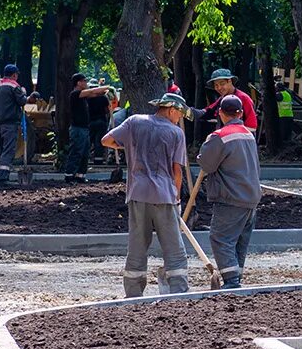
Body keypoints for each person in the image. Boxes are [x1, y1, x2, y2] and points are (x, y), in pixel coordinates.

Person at [102, 93, 191, 297]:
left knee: (137, 245)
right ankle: (178, 291)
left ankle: (133, 293)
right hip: (163, 196)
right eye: (179, 114)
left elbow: (106, 140)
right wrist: (177, 198)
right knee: (173, 247)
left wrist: (127, 147)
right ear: (171, 110)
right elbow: (176, 171)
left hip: (137, 194)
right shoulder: (176, 133)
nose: (180, 118)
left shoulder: (135, 121)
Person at [197, 94, 261, 288]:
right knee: (240, 241)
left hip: (231, 197)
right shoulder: (248, 134)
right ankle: (236, 277)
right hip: (251, 196)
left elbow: (207, 164)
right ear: (240, 113)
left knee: (221, 238)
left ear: (220, 113)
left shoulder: (220, 136)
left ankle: (232, 282)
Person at [63, 74, 110, 183]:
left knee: (85, 153)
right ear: (78, 83)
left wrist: (104, 92)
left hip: (85, 128)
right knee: (76, 151)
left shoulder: (84, 96)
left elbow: (94, 93)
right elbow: (90, 92)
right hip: (77, 129)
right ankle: (69, 175)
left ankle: (81, 175)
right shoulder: (75, 94)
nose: (86, 83)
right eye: (84, 81)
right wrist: (107, 87)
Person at [0, 64, 30, 189]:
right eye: (17, 74)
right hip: (11, 122)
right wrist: (24, 93)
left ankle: (0, 175)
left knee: (1, 150)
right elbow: (22, 101)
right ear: (14, 75)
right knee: (8, 150)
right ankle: (3, 178)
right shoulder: (14, 86)